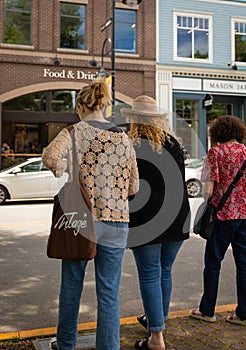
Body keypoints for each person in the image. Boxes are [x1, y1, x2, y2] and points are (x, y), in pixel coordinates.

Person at [42, 81, 139, 350]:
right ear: (105, 106)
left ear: (80, 106)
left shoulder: (73, 131)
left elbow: (51, 159)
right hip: (117, 221)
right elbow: (134, 186)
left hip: (82, 222)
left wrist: (66, 166)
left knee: (71, 286)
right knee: (108, 293)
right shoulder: (123, 137)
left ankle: (65, 344)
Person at [121, 96, 191, 350]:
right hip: (178, 217)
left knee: (150, 273)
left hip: (147, 219)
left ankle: (156, 338)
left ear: (134, 118)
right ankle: (157, 320)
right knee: (164, 271)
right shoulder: (173, 143)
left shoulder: (131, 144)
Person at [190, 115, 246, 327]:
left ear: (217, 133)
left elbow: (208, 189)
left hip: (223, 216)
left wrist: (211, 204)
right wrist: (245, 205)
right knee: (244, 264)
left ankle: (207, 311)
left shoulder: (215, 153)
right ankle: (245, 314)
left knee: (213, 263)